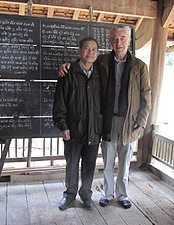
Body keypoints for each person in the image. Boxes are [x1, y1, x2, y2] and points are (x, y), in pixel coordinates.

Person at [58, 25, 151, 209]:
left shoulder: (139, 66)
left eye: (123, 38)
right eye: (115, 39)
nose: (119, 43)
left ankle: (122, 195)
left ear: (129, 41)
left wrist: (141, 122)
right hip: (106, 121)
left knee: (124, 162)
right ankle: (107, 194)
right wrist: (66, 65)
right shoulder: (102, 62)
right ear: (110, 42)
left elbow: (146, 95)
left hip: (129, 122)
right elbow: (84, 62)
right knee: (107, 161)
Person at [52, 37, 102, 211]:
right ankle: (69, 195)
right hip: (73, 130)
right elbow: (60, 102)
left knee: (89, 165)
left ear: (98, 53)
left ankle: (86, 195)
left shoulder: (101, 74)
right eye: (87, 49)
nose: (90, 52)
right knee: (72, 165)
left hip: (94, 130)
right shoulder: (68, 73)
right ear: (79, 51)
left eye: (94, 49)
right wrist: (62, 125)